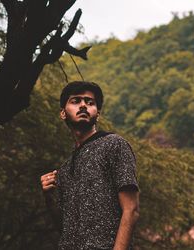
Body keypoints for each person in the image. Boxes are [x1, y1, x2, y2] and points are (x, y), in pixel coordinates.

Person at [40, 81, 140, 250]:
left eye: (90, 102)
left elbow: (131, 209)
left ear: (98, 114)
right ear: (63, 113)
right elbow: (65, 228)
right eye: (76, 101)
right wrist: (49, 197)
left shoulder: (114, 145)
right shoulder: (64, 169)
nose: (83, 106)